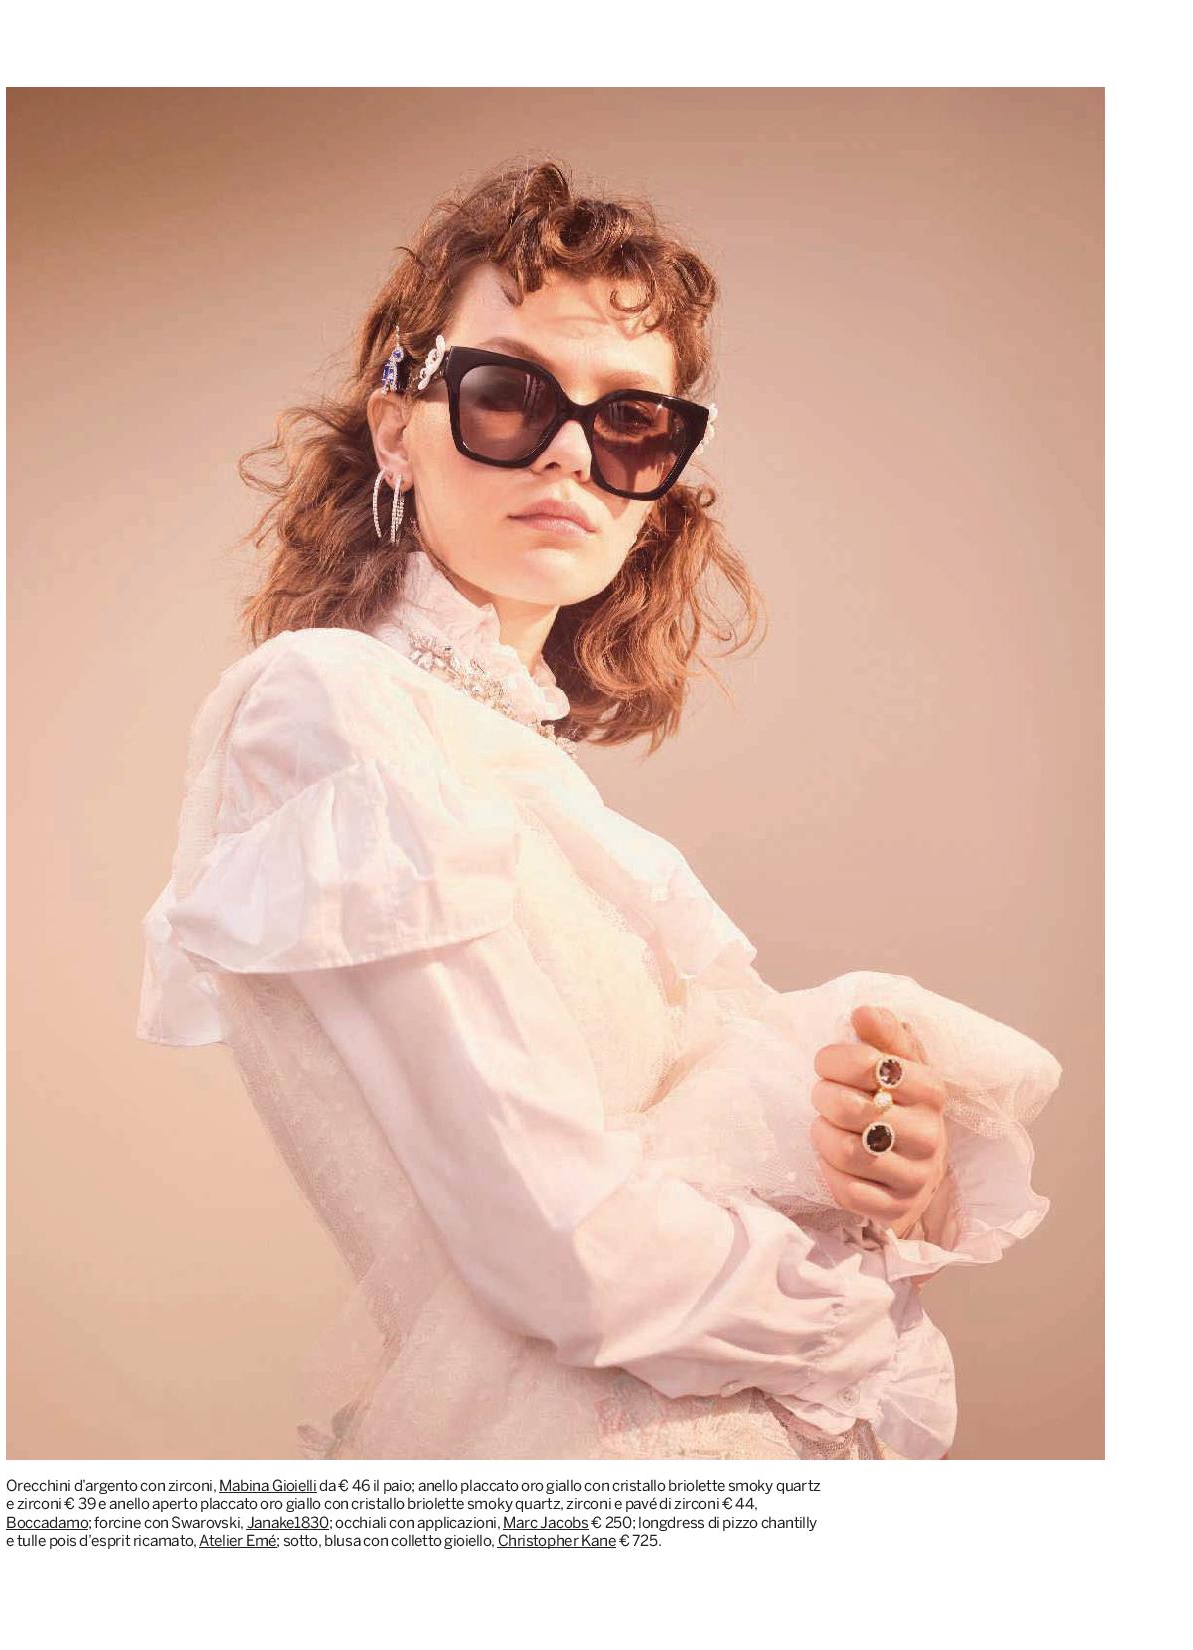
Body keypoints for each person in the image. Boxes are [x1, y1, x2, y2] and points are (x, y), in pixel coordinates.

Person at [137, 159, 1061, 1461]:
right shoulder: (327, 706)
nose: (572, 450)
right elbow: (562, 1251)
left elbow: (668, 1162)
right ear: (397, 427)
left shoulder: (552, 795)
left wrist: (872, 1168)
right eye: (507, 393)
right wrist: (852, 1310)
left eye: (632, 422)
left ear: (658, 481)